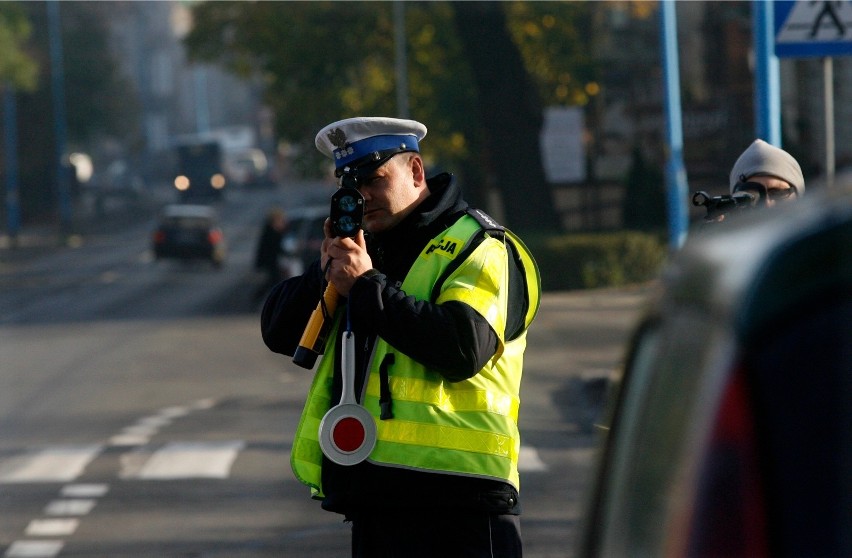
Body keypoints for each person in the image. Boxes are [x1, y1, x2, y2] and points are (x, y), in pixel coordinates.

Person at [261, 116, 541, 557]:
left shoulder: (481, 247)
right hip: (377, 498)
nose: (363, 196)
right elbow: (279, 332)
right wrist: (326, 272)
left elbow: (462, 348)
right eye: (350, 187)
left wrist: (368, 284)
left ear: (414, 171)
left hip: (463, 500)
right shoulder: (366, 251)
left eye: (374, 180)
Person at [253, 207, 289, 304]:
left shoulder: (273, 230)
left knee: (272, 282)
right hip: (269, 262)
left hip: (272, 261)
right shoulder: (271, 232)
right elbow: (274, 248)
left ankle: (261, 299)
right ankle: (265, 300)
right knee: (273, 282)